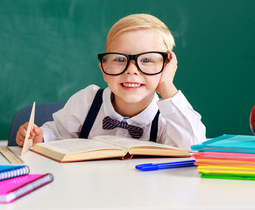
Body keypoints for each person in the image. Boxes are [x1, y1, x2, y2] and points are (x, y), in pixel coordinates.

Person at [16, 13, 206, 150]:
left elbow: (192, 146)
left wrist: (167, 86)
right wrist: (39, 136)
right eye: (120, 59)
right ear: (104, 69)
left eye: (147, 60)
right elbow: (57, 134)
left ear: (166, 67)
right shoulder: (87, 101)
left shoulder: (169, 115)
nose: (132, 69)